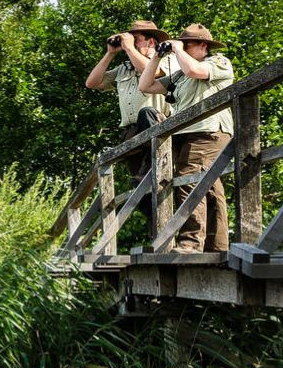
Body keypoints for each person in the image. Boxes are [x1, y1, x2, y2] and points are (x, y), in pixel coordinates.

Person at [139, 23, 235, 252]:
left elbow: (196, 72)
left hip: (208, 132)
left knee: (188, 180)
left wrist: (178, 49)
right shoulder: (180, 75)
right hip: (186, 136)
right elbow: (145, 85)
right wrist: (157, 57)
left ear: (204, 46)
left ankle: (190, 243)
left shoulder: (218, 62)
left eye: (188, 44)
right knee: (211, 189)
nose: (181, 48)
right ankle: (217, 246)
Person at [83, 20, 173, 230]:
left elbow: (154, 72)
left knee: (159, 185)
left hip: (156, 129)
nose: (129, 44)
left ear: (151, 41)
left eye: (136, 39)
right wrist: (111, 53)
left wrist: (130, 48)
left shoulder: (165, 61)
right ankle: (157, 234)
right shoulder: (123, 69)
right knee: (141, 190)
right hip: (132, 135)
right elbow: (92, 83)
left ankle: (169, 233)